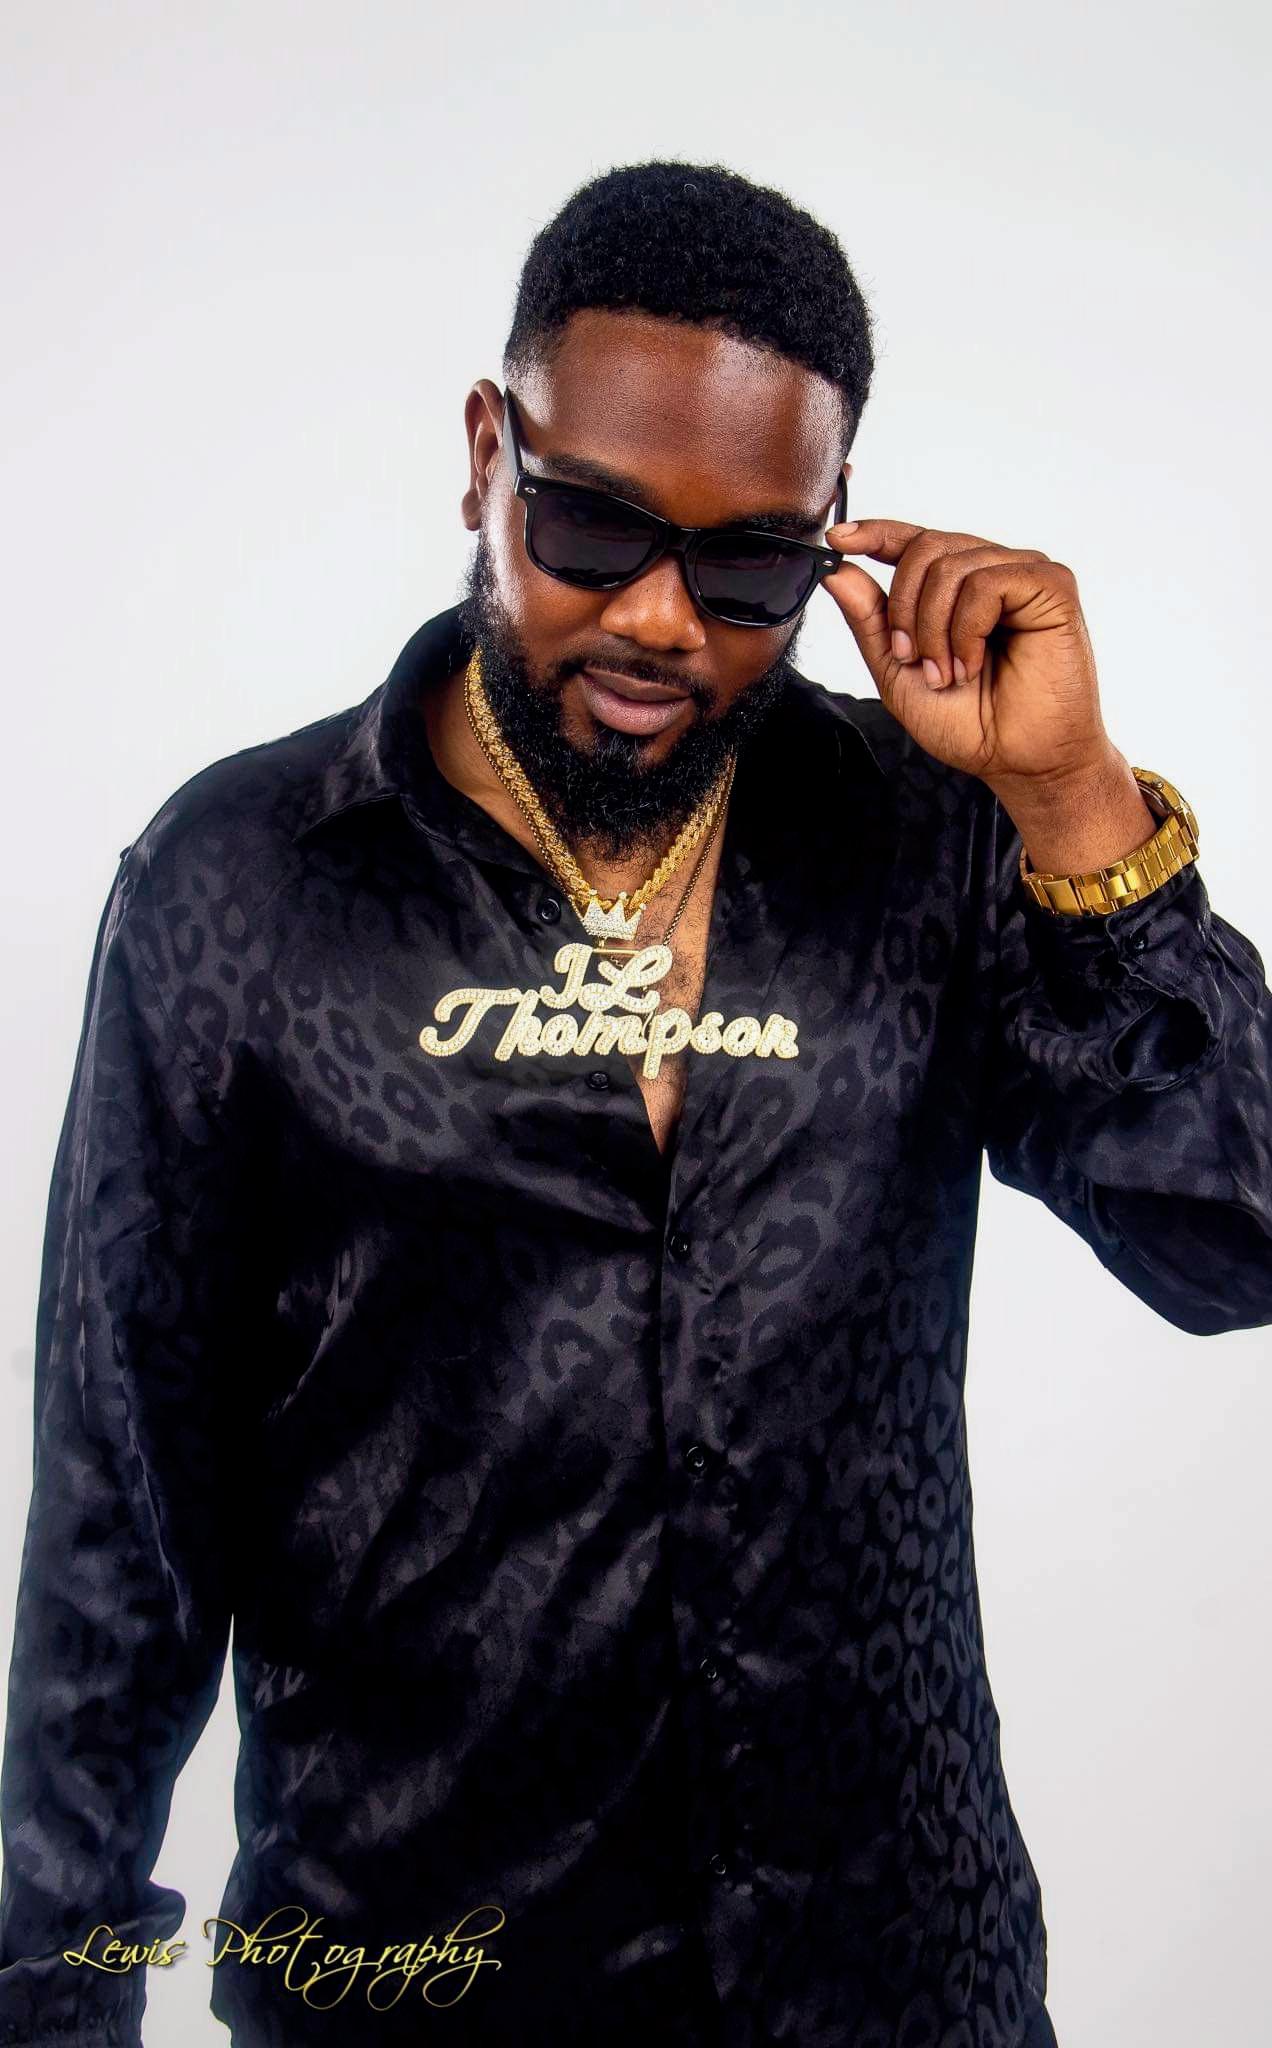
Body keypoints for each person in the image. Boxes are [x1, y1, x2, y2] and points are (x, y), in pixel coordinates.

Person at [0, 159, 1268, 2048]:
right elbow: (125, 1542)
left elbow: (1234, 1239)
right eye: (592, 527)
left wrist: (1077, 807)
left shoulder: (928, 846)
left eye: (750, 565)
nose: (665, 619)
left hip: (901, 1986)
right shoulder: (238, 888)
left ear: (834, 537)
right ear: (487, 454)